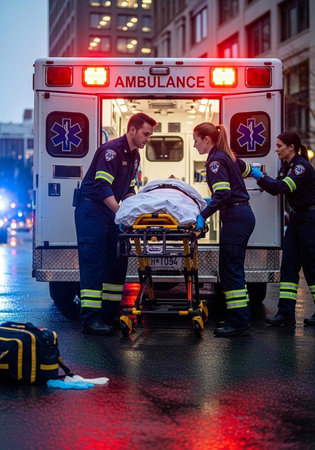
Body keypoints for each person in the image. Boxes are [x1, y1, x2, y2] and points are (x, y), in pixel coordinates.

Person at [75, 113, 156, 335]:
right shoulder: (111, 151)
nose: (148, 138)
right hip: (93, 211)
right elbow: (102, 186)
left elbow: (128, 189)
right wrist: (121, 213)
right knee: (94, 264)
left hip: (110, 213)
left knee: (116, 262)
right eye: (145, 134)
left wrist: (134, 212)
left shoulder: (135, 156)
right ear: (132, 130)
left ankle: (108, 314)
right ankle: (90, 320)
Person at [193, 122, 255, 337]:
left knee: (231, 271)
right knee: (233, 269)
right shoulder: (226, 155)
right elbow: (243, 169)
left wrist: (203, 214)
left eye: (196, 140)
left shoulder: (215, 161)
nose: (194, 145)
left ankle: (238, 323)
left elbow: (223, 194)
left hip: (236, 218)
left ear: (206, 139)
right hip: (241, 216)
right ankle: (239, 319)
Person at [251, 131, 315, 327]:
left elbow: (282, 188)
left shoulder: (301, 168)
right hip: (297, 219)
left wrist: (260, 177)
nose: (276, 149)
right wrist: (262, 178)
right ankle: (285, 313)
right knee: (288, 266)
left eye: (279, 146)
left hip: (309, 220)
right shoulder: (288, 166)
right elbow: (278, 186)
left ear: (291, 147)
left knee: (312, 268)